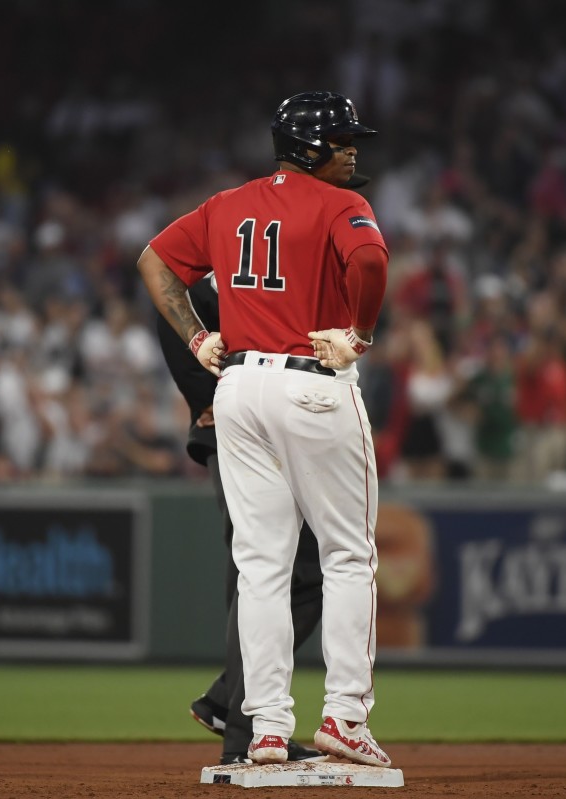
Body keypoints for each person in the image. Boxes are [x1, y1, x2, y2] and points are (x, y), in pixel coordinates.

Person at [137, 91, 392, 768]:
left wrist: (198, 340)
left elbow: (154, 262)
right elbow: (370, 263)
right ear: (311, 148)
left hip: (240, 388)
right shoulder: (342, 205)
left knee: (261, 569)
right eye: (342, 141)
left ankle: (268, 729)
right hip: (312, 381)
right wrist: (360, 335)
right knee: (347, 557)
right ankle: (345, 715)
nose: (353, 150)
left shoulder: (227, 205)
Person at [154, 273, 325, 765]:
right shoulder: (253, 239)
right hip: (238, 427)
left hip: (278, 426)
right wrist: (201, 394)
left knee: (291, 573)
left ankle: (232, 704)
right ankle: (242, 724)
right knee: (272, 571)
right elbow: (171, 289)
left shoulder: (295, 238)